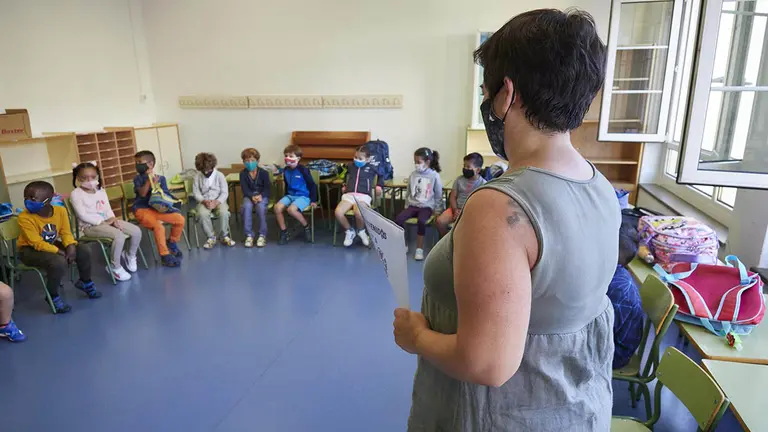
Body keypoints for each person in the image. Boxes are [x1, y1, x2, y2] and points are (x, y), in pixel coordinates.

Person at [392, 9, 618, 431]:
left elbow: (488, 363)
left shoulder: (499, 206)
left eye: (487, 89)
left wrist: (416, 337)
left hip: (499, 415)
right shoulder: (598, 185)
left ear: (506, 94)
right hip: (574, 408)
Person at [18, 181, 102, 313]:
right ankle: (52, 295)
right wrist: (60, 252)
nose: (27, 201)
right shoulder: (24, 217)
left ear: (48, 199)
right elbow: (36, 243)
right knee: (58, 262)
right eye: (25, 198)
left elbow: (66, 233)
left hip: (50, 244)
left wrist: (70, 246)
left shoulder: (60, 211)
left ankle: (85, 282)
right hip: (28, 250)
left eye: (32, 198)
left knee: (83, 250)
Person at [70, 161, 142, 281]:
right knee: (119, 236)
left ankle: (130, 255)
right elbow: (82, 215)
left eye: (93, 177)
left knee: (136, 231)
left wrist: (113, 220)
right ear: (77, 178)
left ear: (97, 175)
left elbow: (107, 208)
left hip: (107, 222)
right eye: (85, 178)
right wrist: (101, 222)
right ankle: (115, 267)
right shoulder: (76, 194)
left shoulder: (100, 191)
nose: (90, 180)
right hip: (90, 227)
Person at [133, 150, 185, 267]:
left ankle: (172, 242)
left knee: (179, 219)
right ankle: (165, 255)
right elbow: (142, 194)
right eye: (136, 162)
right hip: (142, 210)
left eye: (140, 162)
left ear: (150, 164)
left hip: (157, 210)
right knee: (158, 227)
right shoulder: (138, 179)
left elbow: (165, 195)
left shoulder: (161, 178)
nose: (137, 165)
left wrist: (173, 204)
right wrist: (148, 181)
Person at [394, 147, 442, 261]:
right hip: (412, 205)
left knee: (421, 221)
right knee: (399, 219)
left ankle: (419, 249)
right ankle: (403, 245)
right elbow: (409, 191)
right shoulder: (413, 174)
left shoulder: (434, 175)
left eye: (419, 162)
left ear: (427, 162)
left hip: (426, 207)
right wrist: (406, 206)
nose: (416, 164)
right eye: (415, 162)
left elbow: (438, 194)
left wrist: (438, 209)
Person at [609, 224, 644, 369]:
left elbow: (602, 333)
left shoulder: (617, 290)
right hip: (612, 340)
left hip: (616, 354)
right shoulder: (615, 272)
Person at [335, 146, 383, 247]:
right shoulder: (350, 166)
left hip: (363, 196)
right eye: (355, 157)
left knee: (358, 213)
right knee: (338, 212)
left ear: (367, 159)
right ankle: (349, 231)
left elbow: (382, 175)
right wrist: (344, 184)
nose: (357, 160)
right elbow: (345, 175)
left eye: (360, 159)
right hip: (349, 195)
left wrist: (379, 186)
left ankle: (361, 231)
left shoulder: (372, 168)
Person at [274, 145, 317, 245]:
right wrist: (285, 200)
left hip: (303, 196)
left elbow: (312, 185)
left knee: (291, 210)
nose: (288, 158)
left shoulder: (303, 170)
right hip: (290, 195)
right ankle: (284, 232)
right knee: (277, 208)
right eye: (286, 155)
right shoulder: (286, 170)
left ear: (298, 158)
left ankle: (306, 226)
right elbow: (287, 185)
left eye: (291, 156)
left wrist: (314, 200)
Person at [436, 152, 486, 236]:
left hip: (471, 212)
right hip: (455, 209)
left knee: (466, 227)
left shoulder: (483, 184)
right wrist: (455, 210)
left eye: (468, 167)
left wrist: (464, 212)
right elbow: (452, 197)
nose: (465, 168)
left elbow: (481, 204)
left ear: (477, 170)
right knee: (440, 221)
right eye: (464, 166)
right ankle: (445, 241)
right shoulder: (459, 180)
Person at [192, 152, 235, 249]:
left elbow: (224, 192)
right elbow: (196, 192)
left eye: (208, 169)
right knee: (202, 214)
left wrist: (217, 202)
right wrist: (204, 201)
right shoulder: (197, 176)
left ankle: (224, 235)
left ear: (212, 166)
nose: (206, 172)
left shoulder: (219, 175)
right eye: (204, 170)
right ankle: (211, 236)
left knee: (224, 212)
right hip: (204, 201)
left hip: (219, 201)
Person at [240, 148, 271, 248]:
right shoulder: (243, 174)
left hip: (262, 196)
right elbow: (244, 189)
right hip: (249, 196)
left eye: (252, 160)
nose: (250, 163)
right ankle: (249, 235)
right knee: (246, 207)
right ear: (243, 162)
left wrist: (261, 196)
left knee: (261, 208)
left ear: (257, 161)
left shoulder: (264, 173)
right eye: (247, 161)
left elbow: (267, 188)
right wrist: (251, 196)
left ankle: (262, 234)